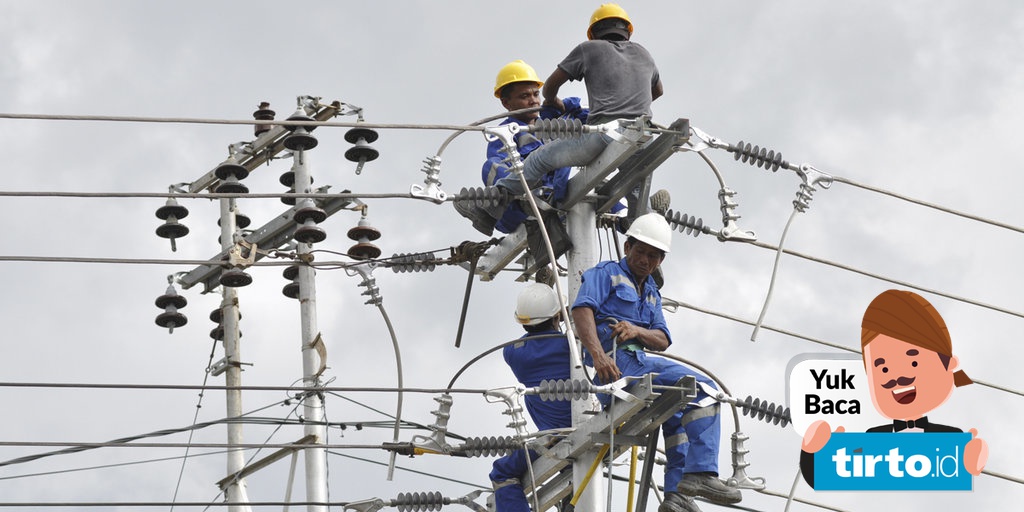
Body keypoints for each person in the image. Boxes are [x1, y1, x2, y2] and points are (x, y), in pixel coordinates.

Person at [571, 213, 741, 512]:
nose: (645, 260)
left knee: (678, 414)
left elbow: (662, 338)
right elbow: (582, 310)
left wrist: (636, 330)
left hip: (639, 363)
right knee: (704, 387)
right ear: (627, 248)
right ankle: (702, 472)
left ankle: (677, 494)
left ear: (660, 260)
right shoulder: (606, 273)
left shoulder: (650, 291)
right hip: (618, 367)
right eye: (640, 252)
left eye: (653, 256)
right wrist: (598, 355)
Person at [799, 289, 989, 486]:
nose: (897, 378)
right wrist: (815, 453)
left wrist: (971, 461)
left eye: (913, 362)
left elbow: (974, 485)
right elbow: (827, 476)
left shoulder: (952, 439)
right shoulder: (873, 437)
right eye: (883, 368)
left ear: (949, 364)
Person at [492, 3, 663, 199]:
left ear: (594, 33)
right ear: (628, 32)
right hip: (644, 135)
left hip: (605, 134)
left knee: (539, 159)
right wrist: (632, 104)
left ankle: (497, 197)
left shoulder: (589, 48)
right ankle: (639, 218)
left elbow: (549, 86)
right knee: (634, 187)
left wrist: (553, 101)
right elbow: (658, 91)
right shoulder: (644, 53)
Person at [455, 59, 590, 237]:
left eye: (536, 94)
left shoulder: (553, 121)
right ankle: (493, 209)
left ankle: (626, 222)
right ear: (506, 103)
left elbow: (592, 118)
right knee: (490, 166)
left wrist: (563, 105)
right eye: (525, 96)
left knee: (602, 181)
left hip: (557, 193)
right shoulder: (504, 133)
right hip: (518, 206)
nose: (533, 101)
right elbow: (499, 167)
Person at [490, 282, 574, 512]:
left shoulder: (513, 353)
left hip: (549, 436)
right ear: (558, 315)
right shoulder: (572, 346)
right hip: (581, 423)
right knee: (575, 473)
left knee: (502, 472)